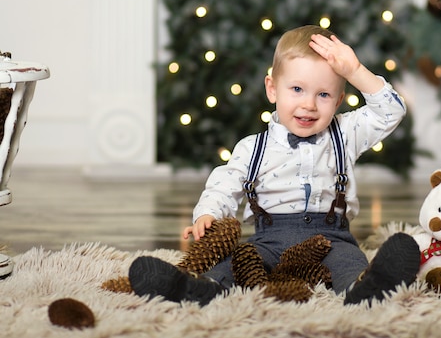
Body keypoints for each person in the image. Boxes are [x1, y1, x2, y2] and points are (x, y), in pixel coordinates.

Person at [129, 25, 420, 306]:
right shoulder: (253, 147)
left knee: (350, 263)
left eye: (323, 95)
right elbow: (225, 185)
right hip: (268, 241)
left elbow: (391, 110)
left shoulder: (345, 134)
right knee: (237, 264)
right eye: (296, 89)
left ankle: (366, 289)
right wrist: (208, 214)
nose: (309, 104)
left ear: (339, 100)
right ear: (272, 89)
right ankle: (198, 289)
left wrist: (355, 71)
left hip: (332, 240)